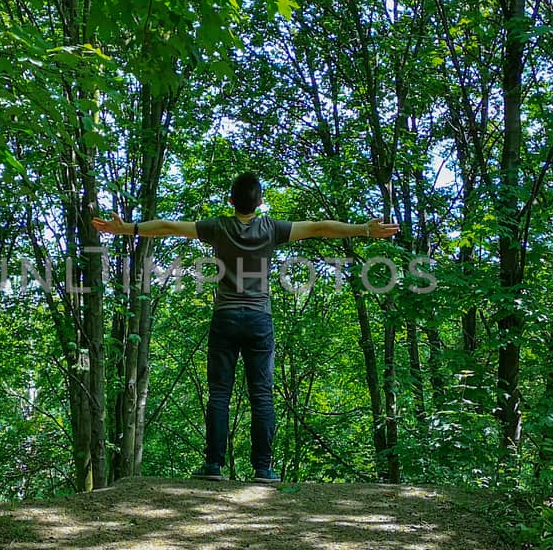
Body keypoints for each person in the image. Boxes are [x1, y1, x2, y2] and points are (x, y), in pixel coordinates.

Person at [91, 171, 400, 482]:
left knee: (219, 394)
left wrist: (127, 229)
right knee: (262, 395)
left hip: (225, 317)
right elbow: (320, 227)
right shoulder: (272, 229)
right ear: (261, 202)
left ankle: (214, 466)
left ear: (230, 201)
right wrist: (364, 229)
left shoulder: (217, 227)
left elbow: (169, 226)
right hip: (258, 321)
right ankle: (263, 469)